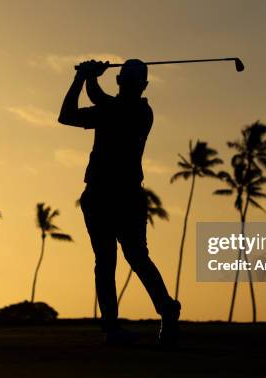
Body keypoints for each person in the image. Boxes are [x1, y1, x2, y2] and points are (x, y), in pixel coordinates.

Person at [58, 59, 180, 346]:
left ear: (127, 83)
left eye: (127, 81)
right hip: (104, 194)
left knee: (128, 258)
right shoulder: (114, 109)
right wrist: (85, 78)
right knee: (114, 259)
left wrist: (86, 77)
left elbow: (96, 101)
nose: (127, 85)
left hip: (121, 195)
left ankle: (162, 310)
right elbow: (67, 115)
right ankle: (120, 324)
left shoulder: (138, 111)